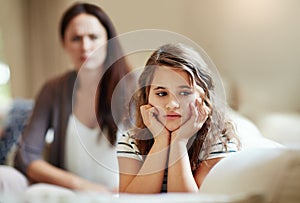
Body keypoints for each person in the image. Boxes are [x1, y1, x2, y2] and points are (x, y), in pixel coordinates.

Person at [0, 2, 131, 194]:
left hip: (124, 193)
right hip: (68, 192)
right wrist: (83, 186)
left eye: (93, 37)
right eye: (76, 38)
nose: (85, 46)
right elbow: (26, 156)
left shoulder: (135, 87)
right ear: (64, 43)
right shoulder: (53, 90)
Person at [117, 43, 240, 193]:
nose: (172, 104)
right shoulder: (131, 140)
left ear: (203, 96)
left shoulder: (219, 140)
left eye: (184, 93)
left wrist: (179, 141)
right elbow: (129, 201)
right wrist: (161, 139)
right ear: (146, 97)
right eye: (162, 93)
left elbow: (188, 201)